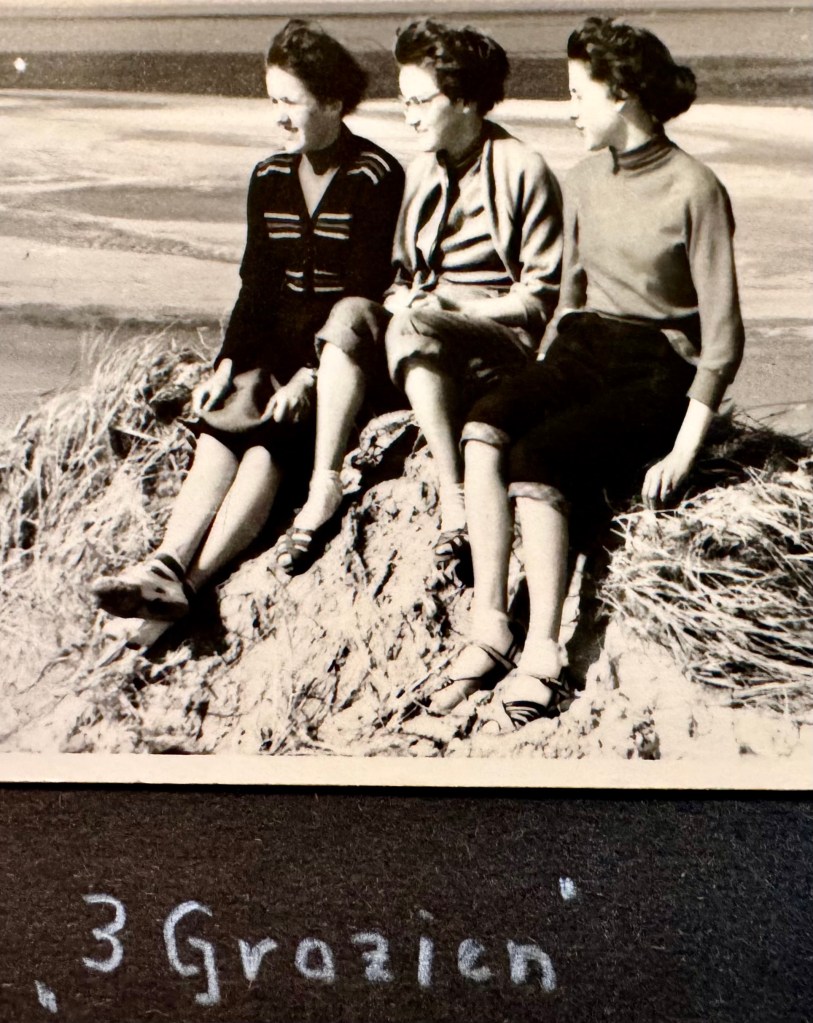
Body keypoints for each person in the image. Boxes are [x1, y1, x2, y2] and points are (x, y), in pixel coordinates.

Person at [428, 16, 745, 725]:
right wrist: (540, 381)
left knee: (538, 458)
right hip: (583, 348)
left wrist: (683, 449)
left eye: (578, 93)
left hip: (656, 367)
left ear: (622, 94)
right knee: (484, 424)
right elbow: (568, 300)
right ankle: (490, 624)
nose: (567, 109)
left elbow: (722, 340)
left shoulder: (696, 188)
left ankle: (543, 651)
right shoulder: (581, 179)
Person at [92, 20, 404, 643]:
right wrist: (228, 365)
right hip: (271, 347)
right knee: (222, 425)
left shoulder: (375, 174)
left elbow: (365, 291)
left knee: (272, 443)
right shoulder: (268, 177)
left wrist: (311, 376)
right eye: (272, 101)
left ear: (333, 101)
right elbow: (255, 286)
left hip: (339, 356)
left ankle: (191, 584)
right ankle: (167, 562)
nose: (278, 117)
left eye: (291, 101)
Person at [274, 18, 562, 575]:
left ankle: (455, 497)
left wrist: (454, 308)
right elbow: (402, 277)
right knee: (350, 314)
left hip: (495, 340)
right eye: (403, 102)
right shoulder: (421, 171)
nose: (408, 116)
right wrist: (398, 303)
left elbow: (538, 301)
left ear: (466, 100)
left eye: (421, 102)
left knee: (412, 323)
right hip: (423, 334)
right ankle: (324, 486)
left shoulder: (524, 169)